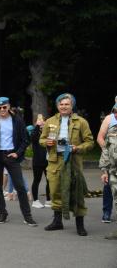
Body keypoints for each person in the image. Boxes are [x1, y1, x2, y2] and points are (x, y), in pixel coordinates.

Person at [40, 93, 94, 236]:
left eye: (66, 104)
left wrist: (77, 148)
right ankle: (57, 222)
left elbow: (90, 142)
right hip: (54, 160)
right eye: (61, 104)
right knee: (55, 190)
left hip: (73, 160)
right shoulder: (50, 121)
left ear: (72, 106)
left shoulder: (81, 122)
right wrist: (47, 142)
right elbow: (42, 139)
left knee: (76, 191)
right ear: (58, 106)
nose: (63, 106)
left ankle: (80, 225)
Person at [0, 97, 37, 226]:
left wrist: (17, 153)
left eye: (4, 107)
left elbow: (25, 140)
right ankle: (2, 213)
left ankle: (27, 216)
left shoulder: (17, 121)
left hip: (11, 155)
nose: (2, 110)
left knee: (20, 186)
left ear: (8, 106)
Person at [98, 98, 117, 239]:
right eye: (115, 112)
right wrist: (104, 170)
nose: (116, 115)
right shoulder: (112, 129)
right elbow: (105, 149)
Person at [29, 115, 51, 209]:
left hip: (48, 161)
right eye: (39, 121)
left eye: (43, 121)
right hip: (37, 161)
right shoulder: (35, 132)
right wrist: (37, 126)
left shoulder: (49, 132)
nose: (41, 123)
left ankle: (48, 200)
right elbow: (33, 138)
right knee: (36, 180)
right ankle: (35, 201)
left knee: (49, 180)